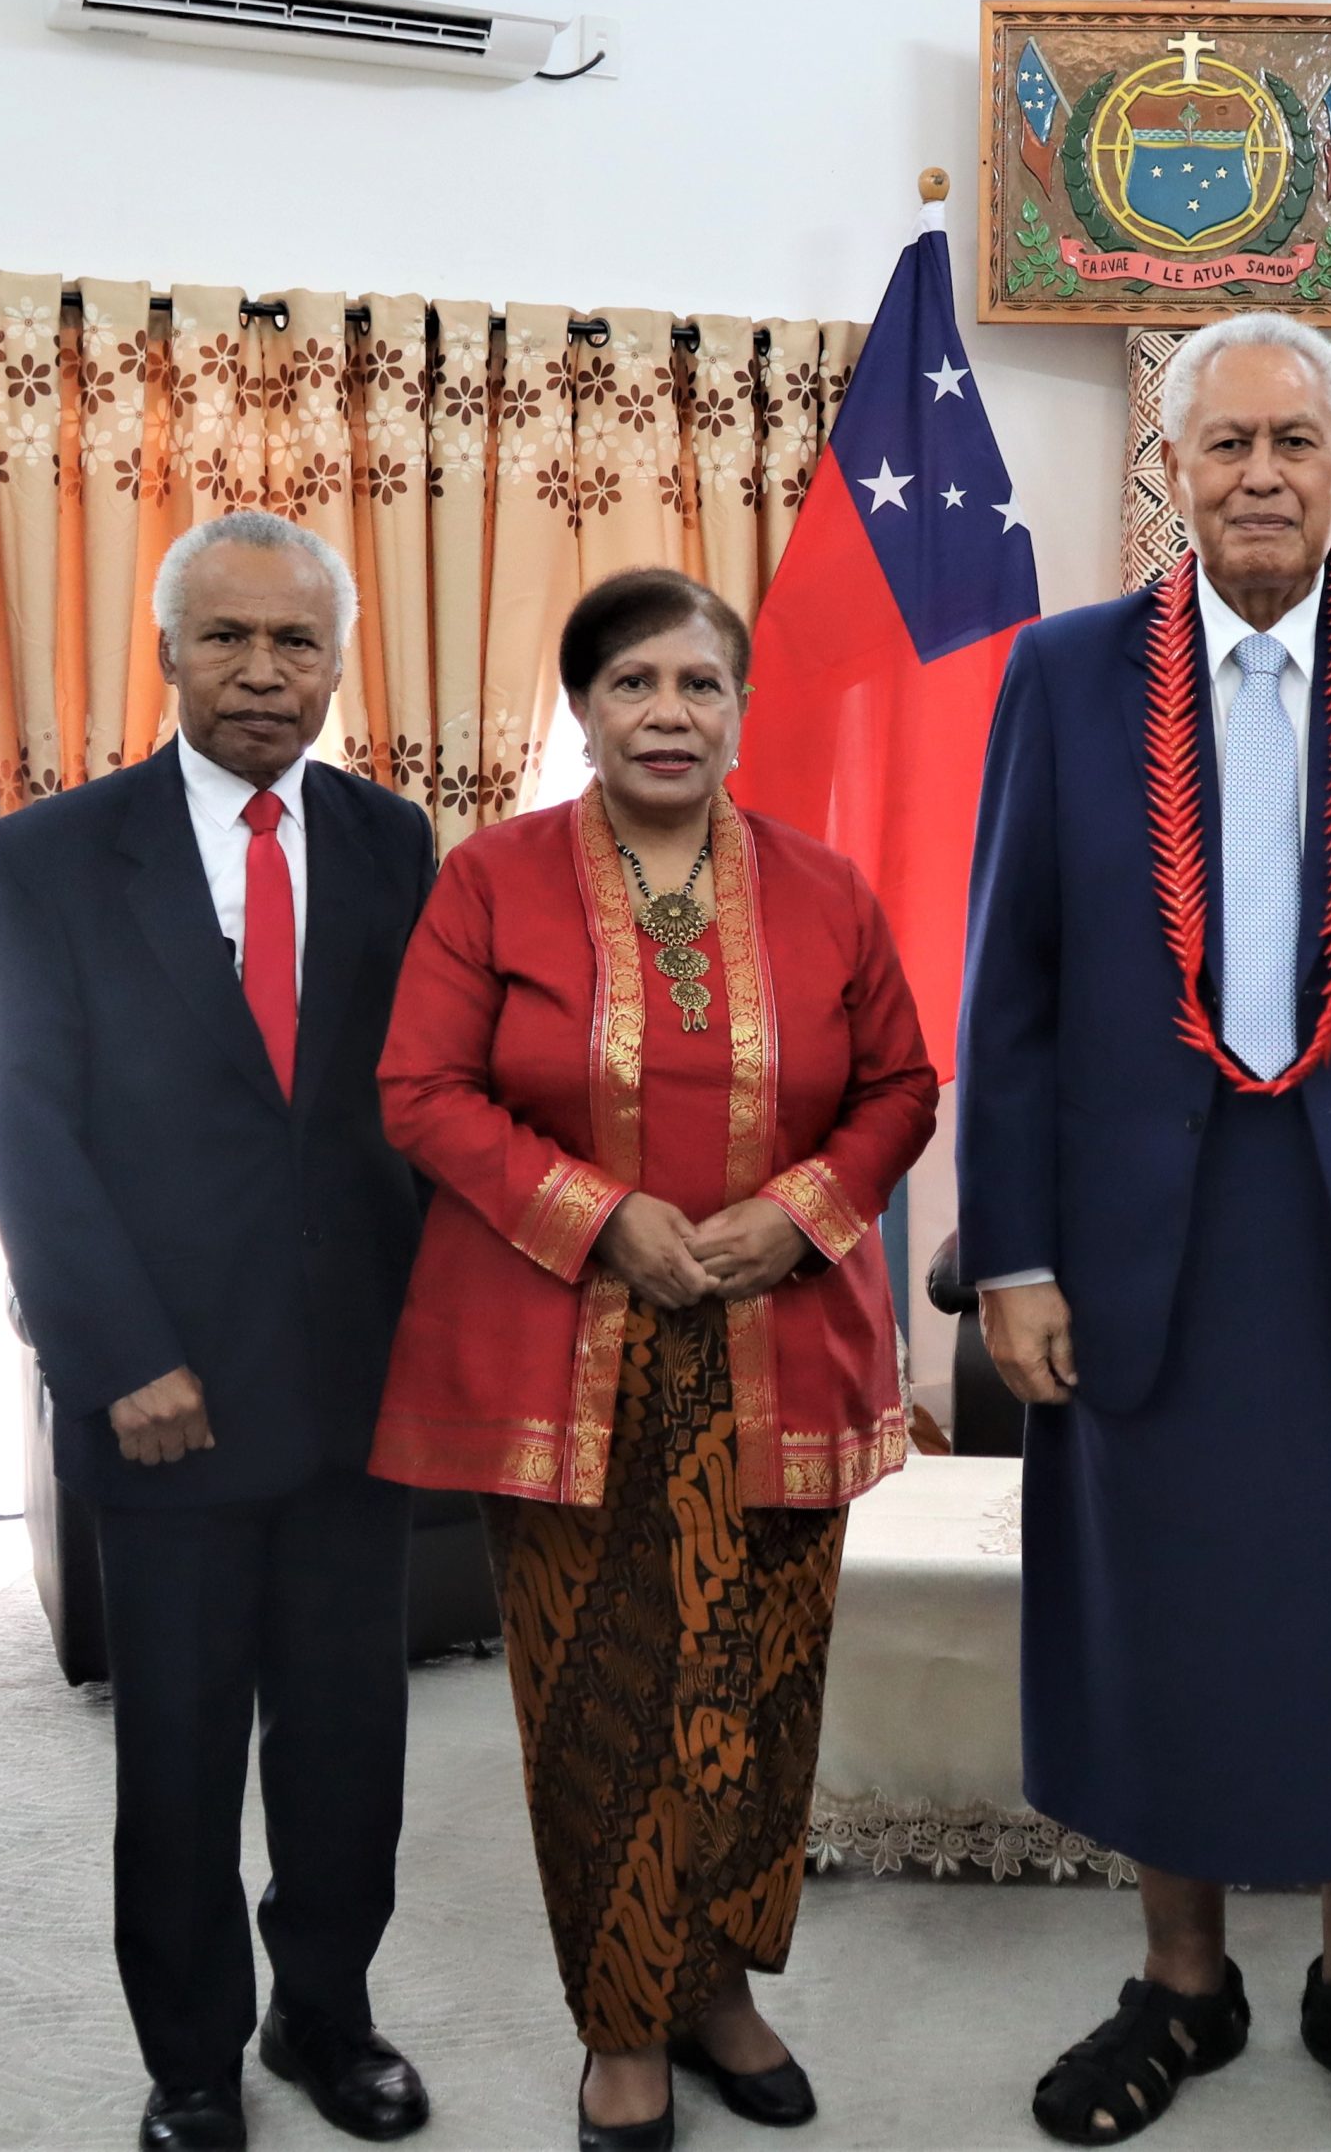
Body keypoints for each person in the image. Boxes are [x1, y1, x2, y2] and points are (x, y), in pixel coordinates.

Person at [957, 311, 1331, 2151]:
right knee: (1158, 1617)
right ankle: (1183, 1981)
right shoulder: (1064, 677)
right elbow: (1012, 992)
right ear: (1168, 470)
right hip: (1144, 1233)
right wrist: (1010, 1251)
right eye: (1221, 444)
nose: (1257, 474)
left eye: (1291, 443)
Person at [367, 568, 938, 2152]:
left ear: (741, 712)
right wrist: (602, 1214)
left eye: (699, 683)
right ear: (584, 709)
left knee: (758, 1692)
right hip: (567, 1354)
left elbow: (900, 1085)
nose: (668, 712)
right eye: (633, 683)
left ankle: (720, 1988)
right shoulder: (492, 880)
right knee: (600, 1700)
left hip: (779, 1352)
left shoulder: (826, 887)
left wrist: (802, 1210)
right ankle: (622, 2017)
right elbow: (420, 1087)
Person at [0, 510, 438, 2152]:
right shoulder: (52, 853)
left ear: (335, 660)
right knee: (174, 1753)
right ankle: (190, 2056)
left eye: (295, 641)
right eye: (228, 638)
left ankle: (328, 2011)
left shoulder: (397, 842)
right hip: (161, 1387)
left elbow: (414, 1111)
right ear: (168, 651)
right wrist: (115, 1361)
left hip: (352, 1391)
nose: (262, 671)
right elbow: (25, 1125)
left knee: (347, 1742)